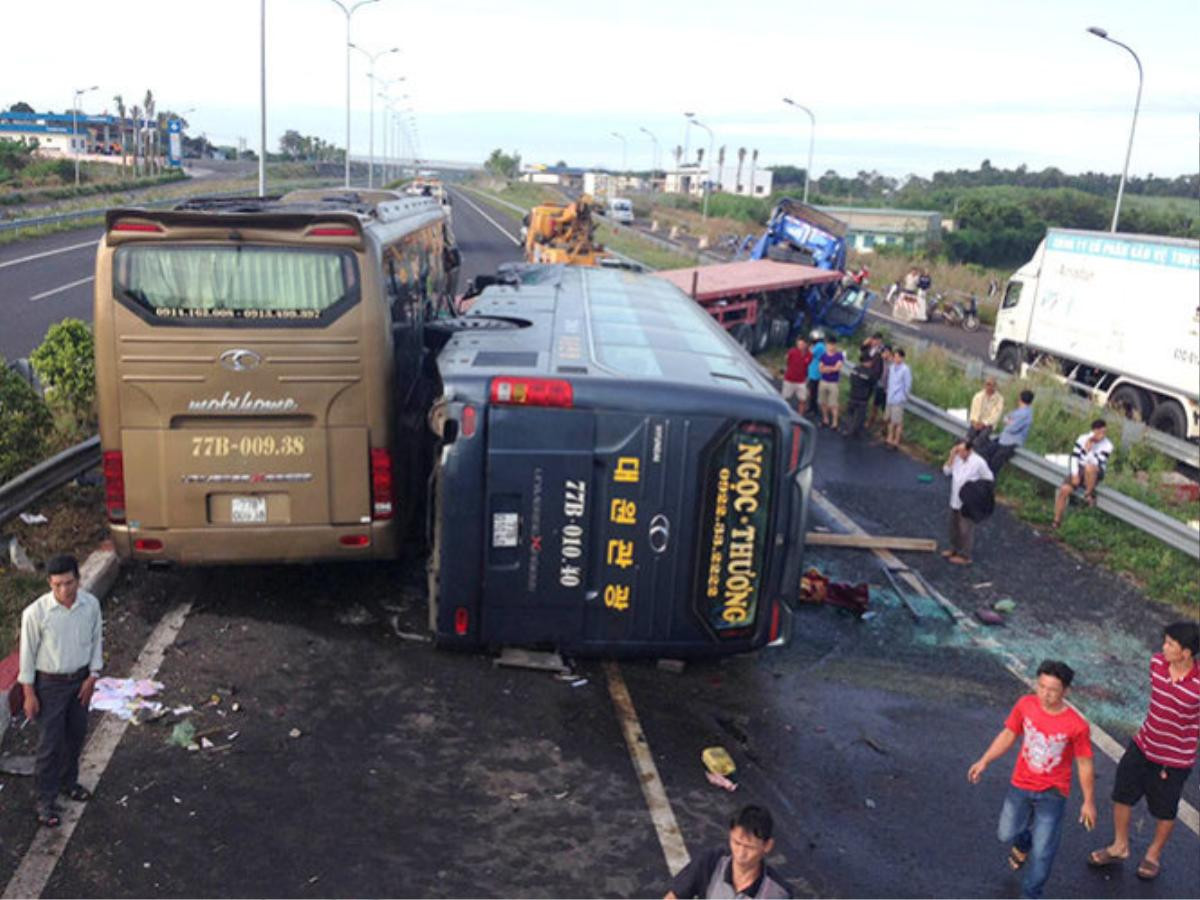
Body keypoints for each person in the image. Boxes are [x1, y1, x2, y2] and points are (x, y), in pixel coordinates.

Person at [968, 660, 1097, 900]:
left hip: (1053, 793)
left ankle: (1031, 894)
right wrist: (984, 760)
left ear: (1066, 691)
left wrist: (1088, 801)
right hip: (1021, 785)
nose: (1045, 694)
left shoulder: (1077, 726)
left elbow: (1084, 763)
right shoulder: (1025, 705)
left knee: (1043, 852)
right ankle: (1023, 840)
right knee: (1005, 833)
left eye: (1053, 690)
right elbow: (1009, 734)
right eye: (1041, 686)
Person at [1087, 621, 1199, 881]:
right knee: (1121, 795)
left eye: (1171, 644)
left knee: (1165, 811)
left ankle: (1152, 855)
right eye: (1166, 641)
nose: (1164, 647)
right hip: (1142, 745)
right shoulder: (1157, 665)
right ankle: (1119, 846)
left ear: (1186, 653)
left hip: (1173, 761)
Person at [18, 554, 103, 828]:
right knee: (50, 744)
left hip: (79, 681)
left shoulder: (90, 605)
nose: (63, 591)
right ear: (49, 584)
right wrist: (29, 693)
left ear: (78, 580)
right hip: (49, 685)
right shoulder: (35, 613)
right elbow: (27, 657)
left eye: (68, 583)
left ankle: (69, 783)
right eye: (56, 585)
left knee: (76, 735)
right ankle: (45, 799)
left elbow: (95, 641)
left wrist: (92, 676)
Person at [665, 805, 793, 899]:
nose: (740, 854)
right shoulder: (710, 862)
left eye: (749, 847)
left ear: (767, 845)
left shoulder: (778, 893)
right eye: (736, 843)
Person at [1052, 419, 1113, 529]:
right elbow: (1074, 457)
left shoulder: (1107, 445)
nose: (1102, 436)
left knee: (1090, 468)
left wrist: (1089, 450)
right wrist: (1074, 474)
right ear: (1094, 431)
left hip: (1096, 470)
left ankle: (1088, 493)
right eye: (1100, 433)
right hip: (1080, 467)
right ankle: (1056, 521)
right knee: (1064, 490)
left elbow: (1097, 462)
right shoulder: (1082, 438)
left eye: (1104, 433)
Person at [941, 440, 994, 564]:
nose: (959, 453)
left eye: (961, 451)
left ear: (969, 450)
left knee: (966, 528)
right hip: (955, 498)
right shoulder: (957, 458)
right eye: (957, 450)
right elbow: (946, 471)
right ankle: (954, 548)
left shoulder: (979, 462)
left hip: (968, 501)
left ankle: (966, 555)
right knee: (953, 526)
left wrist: (976, 490)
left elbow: (989, 478)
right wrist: (951, 456)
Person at [982, 390, 1034, 475]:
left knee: (994, 464)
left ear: (1020, 399)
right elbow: (1005, 417)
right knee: (985, 451)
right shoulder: (1019, 411)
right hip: (1003, 439)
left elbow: (1012, 428)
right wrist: (1009, 420)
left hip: (1010, 443)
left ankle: (987, 484)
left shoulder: (1025, 414)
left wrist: (1009, 421)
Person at [884, 348, 912, 449]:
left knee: (897, 421)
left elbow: (907, 385)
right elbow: (889, 381)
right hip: (890, 397)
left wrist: (903, 397)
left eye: (897, 357)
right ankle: (889, 438)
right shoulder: (892, 367)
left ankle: (896, 441)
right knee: (890, 419)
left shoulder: (905, 369)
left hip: (898, 398)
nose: (895, 359)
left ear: (902, 358)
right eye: (894, 356)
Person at [966, 377, 1005, 448]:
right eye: (988, 384)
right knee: (969, 437)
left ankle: (973, 452)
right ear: (984, 385)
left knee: (981, 438)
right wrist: (975, 422)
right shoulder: (978, 396)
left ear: (995, 386)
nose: (989, 387)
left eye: (992, 385)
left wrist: (984, 423)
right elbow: (973, 411)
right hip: (976, 422)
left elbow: (995, 416)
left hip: (988, 425)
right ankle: (964, 451)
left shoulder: (999, 399)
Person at [817, 337, 845, 429]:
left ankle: (835, 423)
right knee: (823, 402)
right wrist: (830, 368)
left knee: (833, 404)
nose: (830, 347)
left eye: (832, 345)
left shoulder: (839, 355)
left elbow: (838, 367)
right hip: (823, 381)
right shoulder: (823, 356)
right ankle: (825, 419)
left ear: (835, 345)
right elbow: (820, 369)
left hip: (833, 383)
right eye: (828, 345)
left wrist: (827, 368)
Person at [779, 337, 811, 413]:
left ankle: (800, 416)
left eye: (802, 344)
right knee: (784, 399)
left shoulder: (809, 355)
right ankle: (783, 413)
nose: (800, 345)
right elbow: (786, 360)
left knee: (802, 400)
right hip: (789, 379)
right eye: (799, 344)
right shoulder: (792, 352)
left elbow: (808, 365)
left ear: (806, 345)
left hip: (801, 381)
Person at [867, 346, 892, 432]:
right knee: (875, 406)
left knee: (885, 410)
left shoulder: (892, 364)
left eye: (887, 352)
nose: (885, 354)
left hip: (887, 390)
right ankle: (870, 423)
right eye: (884, 352)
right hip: (879, 386)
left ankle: (884, 429)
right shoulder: (879, 360)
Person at [805, 331, 826, 418]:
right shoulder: (820, 345)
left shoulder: (819, 346)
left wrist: (809, 348)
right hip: (813, 371)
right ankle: (811, 408)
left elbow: (810, 353)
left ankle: (814, 410)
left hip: (815, 372)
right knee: (812, 391)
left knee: (813, 392)